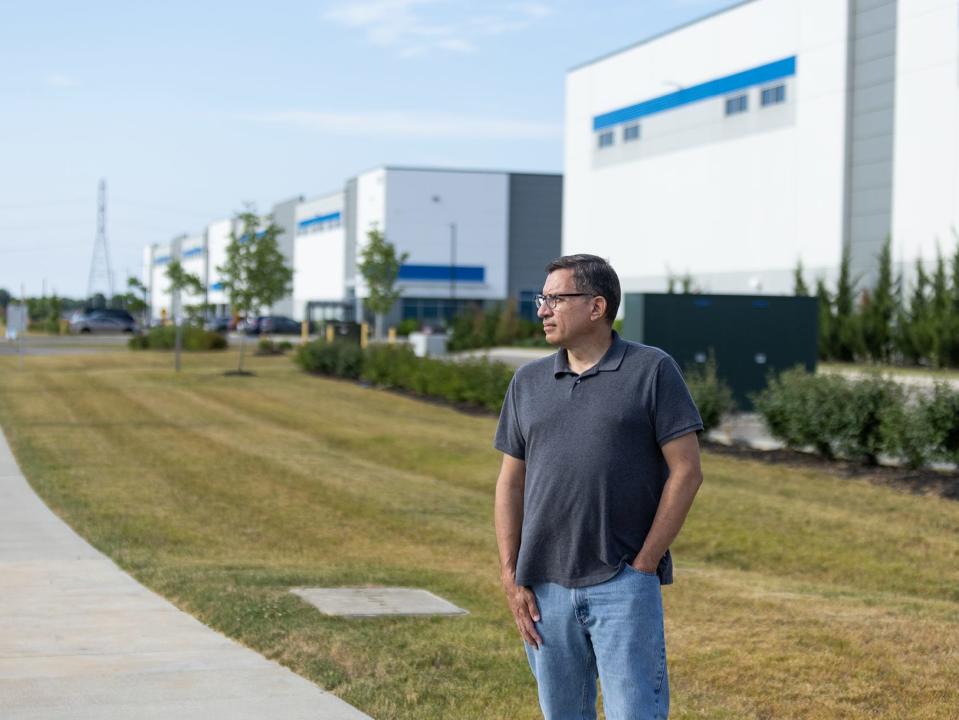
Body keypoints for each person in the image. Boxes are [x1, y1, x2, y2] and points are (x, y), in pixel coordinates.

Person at [494, 254, 704, 720]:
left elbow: (687, 471)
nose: (543, 309)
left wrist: (645, 563)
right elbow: (511, 483)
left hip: (623, 582)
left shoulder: (651, 371)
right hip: (544, 587)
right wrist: (511, 574)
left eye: (555, 298)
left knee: (636, 714)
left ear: (596, 307)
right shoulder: (528, 382)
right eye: (541, 300)